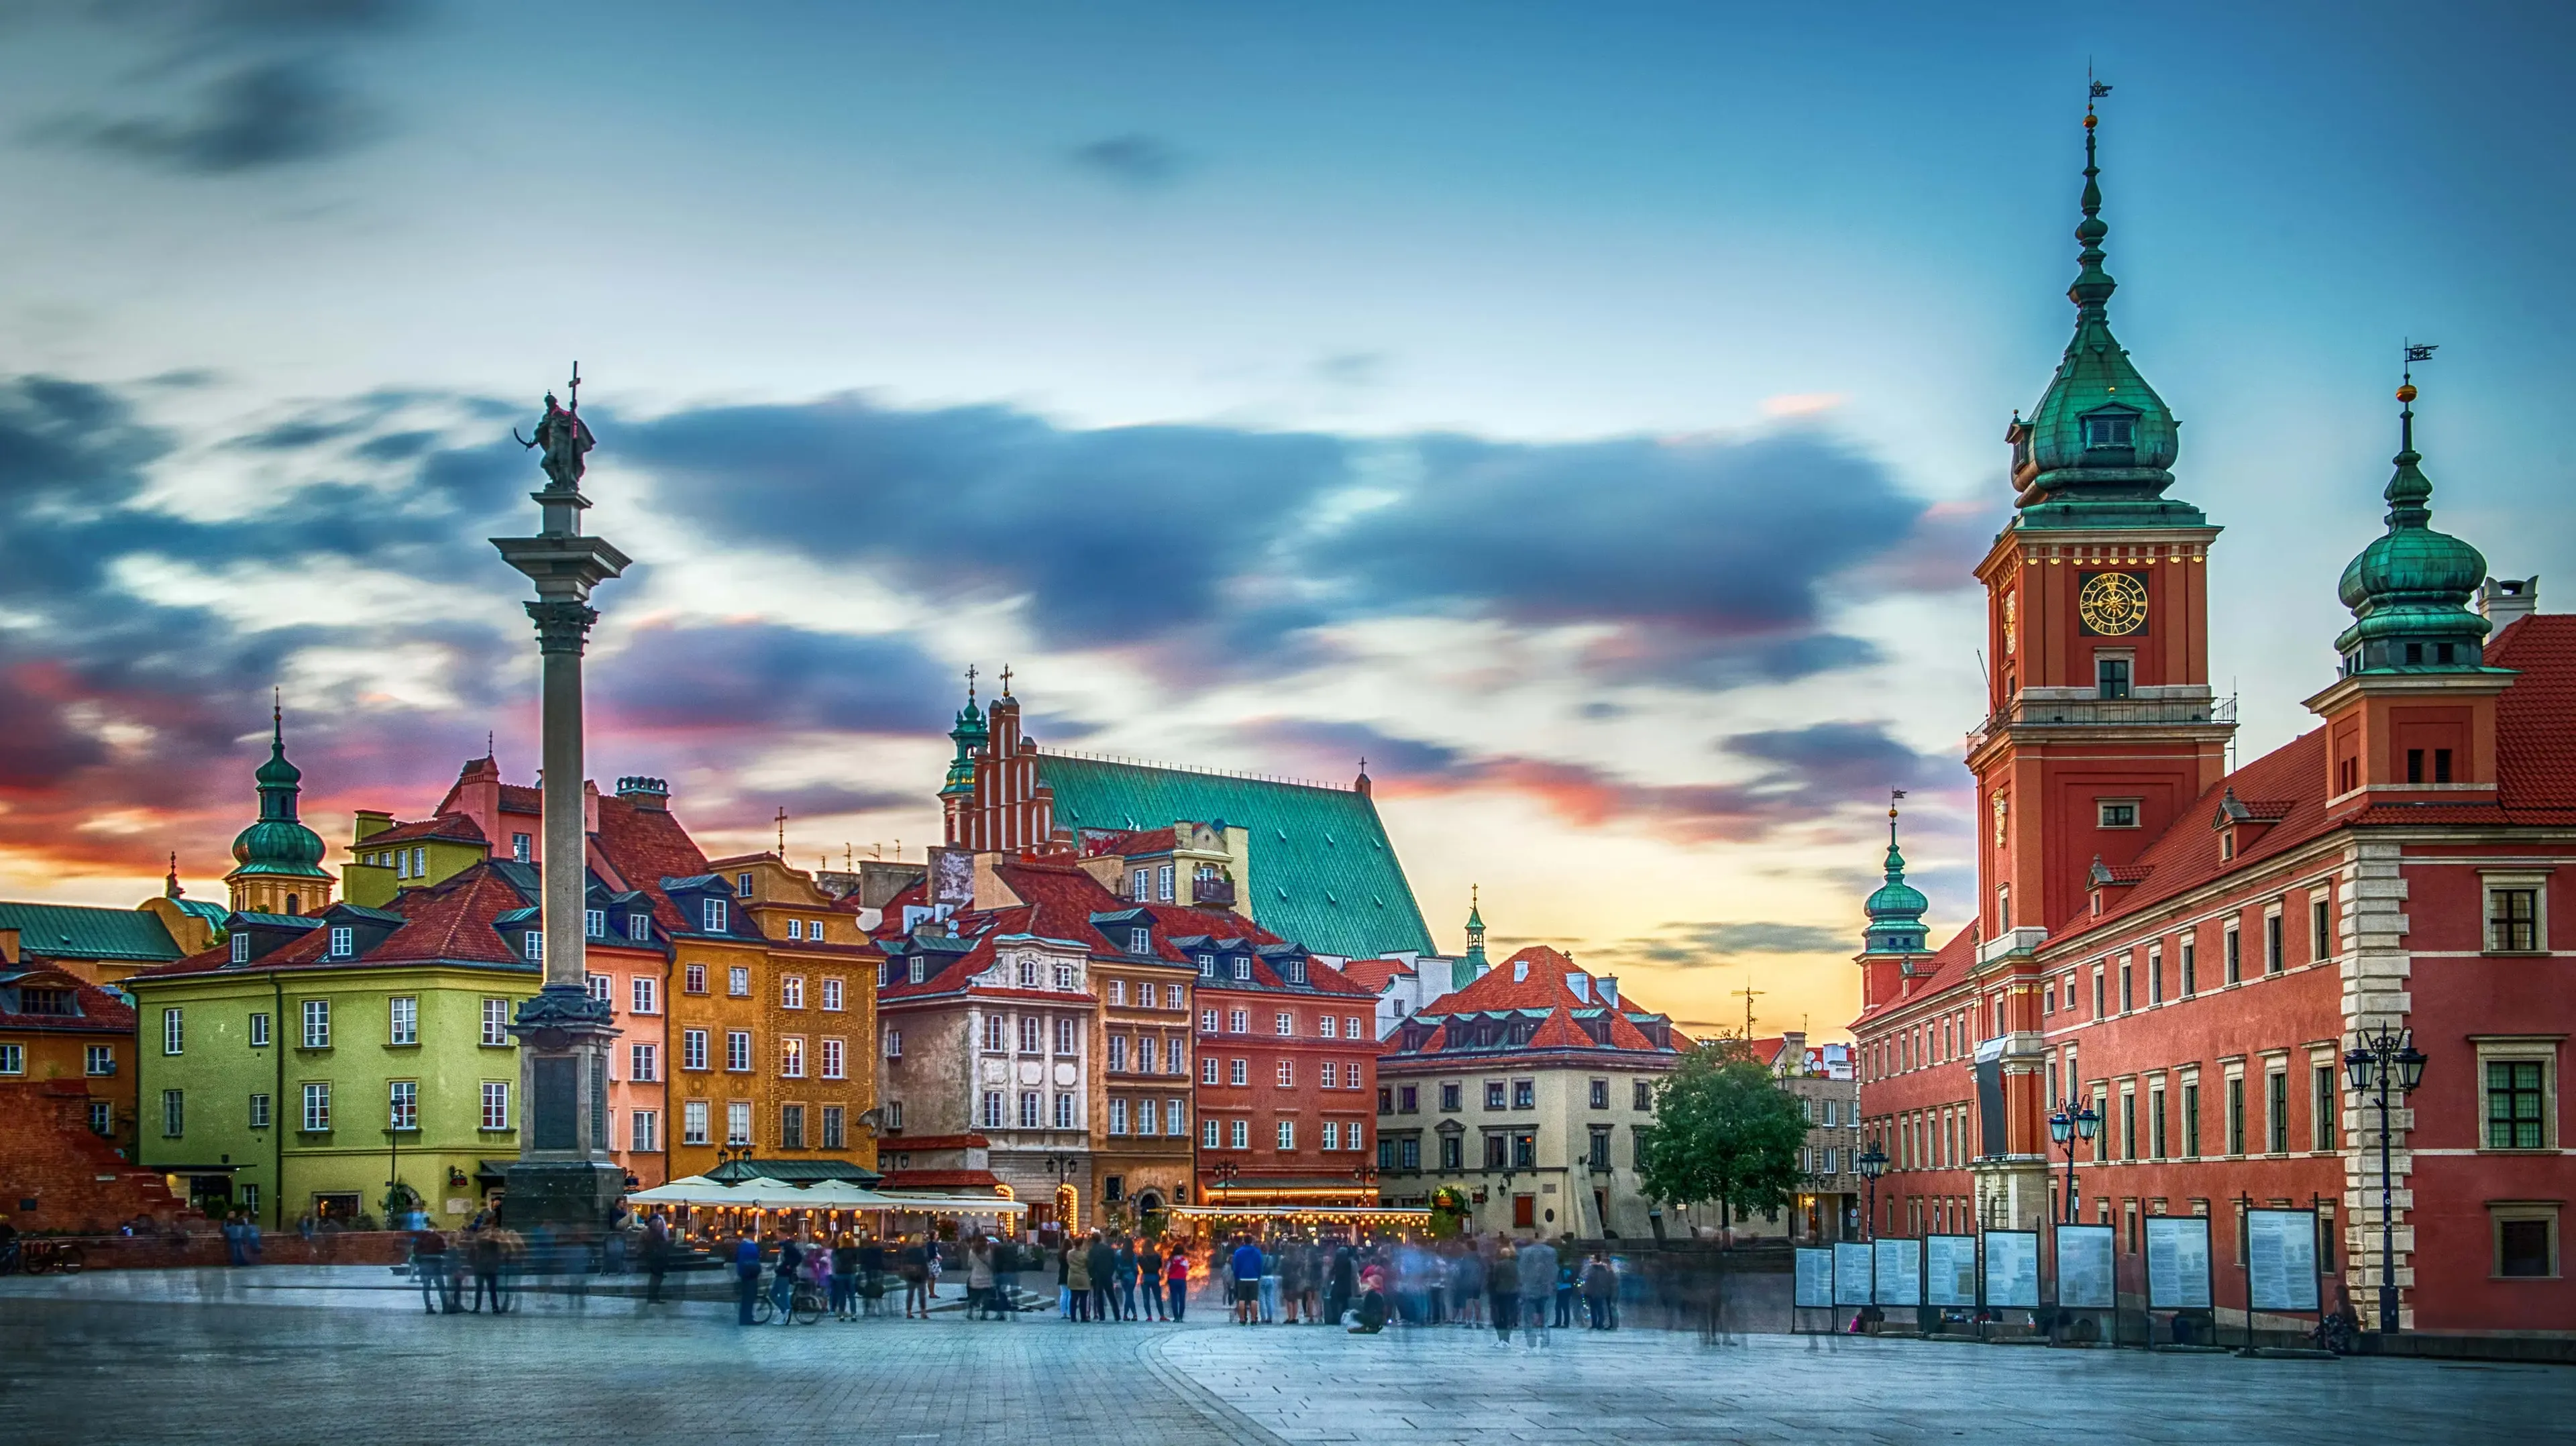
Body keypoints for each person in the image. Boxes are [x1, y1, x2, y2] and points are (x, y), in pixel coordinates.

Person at [1517, 1235, 1558, 1349]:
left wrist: (1522, 1287)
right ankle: (1545, 1343)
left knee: (1528, 1319)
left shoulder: (1525, 1252)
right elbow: (1555, 1271)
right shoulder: (1551, 1252)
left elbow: (1521, 1272)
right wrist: (1552, 1285)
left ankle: (1531, 1343)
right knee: (1545, 1319)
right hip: (1546, 1290)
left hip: (1529, 1290)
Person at [1487, 1243, 1520, 1346]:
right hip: (1513, 1292)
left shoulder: (1498, 1265)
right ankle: (1507, 1338)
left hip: (1501, 1293)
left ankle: (1502, 1339)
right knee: (1510, 1314)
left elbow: (1494, 1279)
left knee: (1501, 1315)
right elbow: (1519, 1278)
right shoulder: (1515, 1265)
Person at [411, 1225, 448, 1315]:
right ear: (434, 1228)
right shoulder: (438, 1238)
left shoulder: (420, 1237)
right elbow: (443, 1250)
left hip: (424, 1266)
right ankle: (445, 1307)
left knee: (426, 1288)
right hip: (436, 1266)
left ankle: (428, 1307)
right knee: (441, 1288)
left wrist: (420, 1262)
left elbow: (416, 1252)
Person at [1230, 1235, 1265, 1325]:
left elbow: (1235, 1266)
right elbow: (1260, 1265)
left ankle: (1242, 1319)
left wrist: (1237, 1276)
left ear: (1244, 1241)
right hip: (1254, 1277)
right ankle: (1253, 1319)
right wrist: (1258, 1275)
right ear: (1252, 1241)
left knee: (1242, 1299)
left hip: (1242, 1277)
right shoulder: (1257, 1252)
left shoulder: (1238, 1252)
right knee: (1254, 1299)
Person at [771, 1234, 804, 1326]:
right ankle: (785, 1311)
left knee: (782, 1295)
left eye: (779, 1233)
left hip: (784, 1274)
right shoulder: (785, 1245)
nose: (777, 1236)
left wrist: (790, 1266)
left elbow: (799, 1257)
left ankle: (786, 1312)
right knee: (773, 1294)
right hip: (781, 1273)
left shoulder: (788, 1246)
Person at [733, 1233, 762, 1326]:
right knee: (750, 1296)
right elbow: (756, 1256)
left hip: (746, 1273)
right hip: (751, 1273)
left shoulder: (742, 1246)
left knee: (746, 1297)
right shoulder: (750, 1246)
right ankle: (747, 1318)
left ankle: (745, 1318)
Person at [900, 1235, 931, 1319]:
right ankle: (923, 1312)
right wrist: (927, 1274)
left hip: (910, 1274)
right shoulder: (922, 1250)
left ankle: (909, 1312)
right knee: (922, 1294)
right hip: (921, 1274)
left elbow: (904, 1261)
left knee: (910, 1294)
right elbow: (925, 1261)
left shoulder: (908, 1250)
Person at [643, 1213, 672, 1304]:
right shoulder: (654, 1235)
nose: (662, 1227)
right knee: (656, 1280)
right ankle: (653, 1297)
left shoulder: (653, 1234)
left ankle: (653, 1297)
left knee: (656, 1279)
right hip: (656, 1260)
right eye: (660, 1226)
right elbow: (656, 1247)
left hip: (656, 1259)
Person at [1325, 1243, 1356, 1327]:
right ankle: (1342, 1318)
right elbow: (1353, 1276)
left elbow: (1332, 1272)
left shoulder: (1337, 1262)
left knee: (1334, 1302)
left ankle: (1336, 1318)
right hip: (1346, 1287)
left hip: (1338, 1286)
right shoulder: (1349, 1262)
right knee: (1345, 1304)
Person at [1582, 1254, 1616, 1329]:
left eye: (1592, 1259)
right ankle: (1599, 1324)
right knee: (1598, 1309)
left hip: (1595, 1292)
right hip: (1599, 1292)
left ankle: (1597, 1324)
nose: (1590, 1261)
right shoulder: (1602, 1270)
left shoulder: (1592, 1270)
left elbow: (1589, 1282)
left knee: (1595, 1309)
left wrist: (1587, 1290)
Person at [833, 1233, 862, 1320]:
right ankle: (853, 1314)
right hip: (850, 1273)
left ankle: (842, 1314)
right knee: (852, 1295)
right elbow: (856, 1262)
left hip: (840, 1273)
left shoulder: (838, 1251)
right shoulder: (854, 1251)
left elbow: (835, 1262)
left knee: (842, 1295)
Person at [1066, 1232, 1094, 1321]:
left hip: (1073, 1277)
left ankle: (1073, 1317)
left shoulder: (1070, 1253)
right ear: (1082, 1244)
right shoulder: (1085, 1255)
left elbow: (1068, 1262)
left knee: (1073, 1298)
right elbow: (1089, 1265)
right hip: (1083, 1277)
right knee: (1083, 1298)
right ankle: (1083, 1317)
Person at [966, 1235, 994, 1320]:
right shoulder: (989, 1251)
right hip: (987, 1278)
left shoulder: (972, 1251)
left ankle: (970, 1313)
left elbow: (969, 1264)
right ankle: (983, 1315)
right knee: (986, 1298)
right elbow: (992, 1263)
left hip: (975, 1278)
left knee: (974, 1298)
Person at [1112, 1235, 1139, 1321]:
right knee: (1129, 1295)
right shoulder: (1133, 1255)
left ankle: (1126, 1315)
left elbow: (1116, 1265)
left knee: (1128, 1295)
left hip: (1123, 1277)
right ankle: (1133, 1314)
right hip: (1132, 1277)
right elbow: (1135, 1267)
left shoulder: (1119, 1253)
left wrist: (1119, 1273)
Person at [1167, 1245, 1190, 1322]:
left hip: (1173, 1280)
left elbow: (1167, 1270)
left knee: (1174, 1299)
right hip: (1182, 1280)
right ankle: (1181, 1317)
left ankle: (1176, 1317)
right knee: (1182, 1299)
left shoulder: (1171, 1260)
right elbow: (1187, 1269)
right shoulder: (1184, 1260)